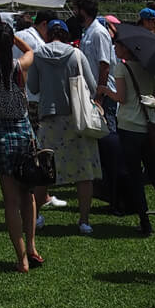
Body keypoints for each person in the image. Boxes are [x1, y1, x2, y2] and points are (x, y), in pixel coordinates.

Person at [26, 18, 100, 235]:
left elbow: (33, 87)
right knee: (83, 172)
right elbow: (92, 86)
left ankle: (37, 215)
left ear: (48, 34)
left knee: (44, 171)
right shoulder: (76, 54)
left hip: (49, 118)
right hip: (76, 119)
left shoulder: (38, 55)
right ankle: (84, 220)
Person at [0, 18, 40, 272]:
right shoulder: (20, 66)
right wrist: (12, 35)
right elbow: (30, 51)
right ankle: (31, 245)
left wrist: (0, 35)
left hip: (2, 134)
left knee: (10, 201)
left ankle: (22, 259)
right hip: (24, 131)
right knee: (27, 194)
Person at [106, 37, 155, 236]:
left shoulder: (121, 68)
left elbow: (121, 98)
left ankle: (145, 222)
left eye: (117, 45)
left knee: (136, 176)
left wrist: (105, 91)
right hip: (149, 125)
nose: (115, 48)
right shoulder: (149, 69)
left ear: (126, 48)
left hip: (129, 127)